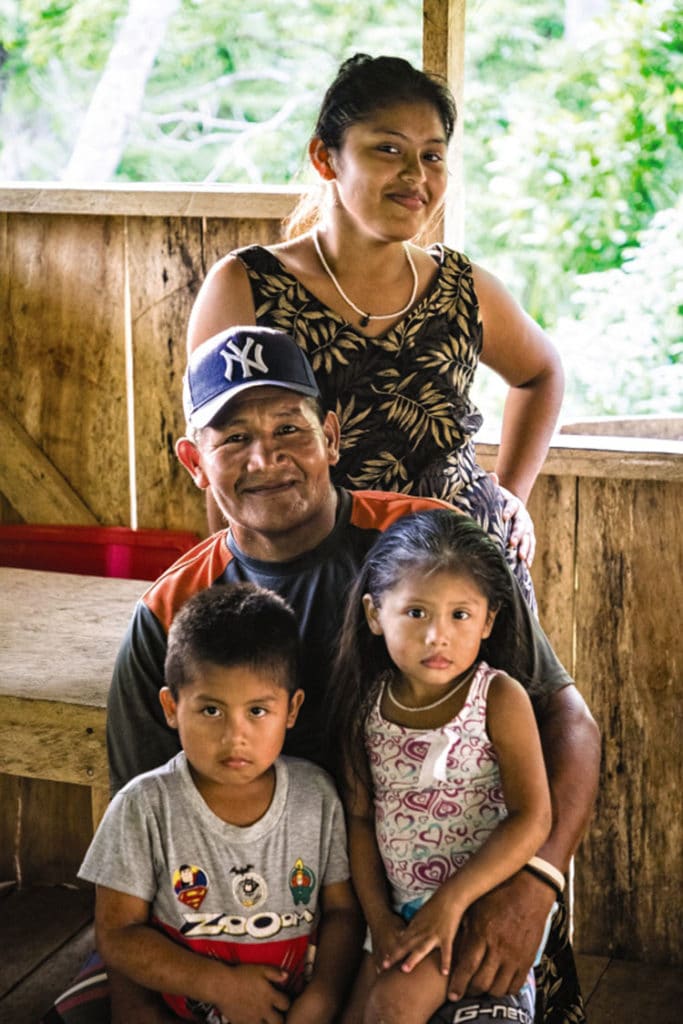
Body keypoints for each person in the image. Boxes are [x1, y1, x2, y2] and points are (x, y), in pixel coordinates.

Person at [49, 327, 597, 1023]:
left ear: (331, 437)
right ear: (194, 461)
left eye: (289, 428)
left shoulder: (423, 552)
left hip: (425, 896)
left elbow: (565, 718)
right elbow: (146, 833)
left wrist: (536, 880)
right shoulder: (169, 613)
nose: (266, 458)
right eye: (233, 439)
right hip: (238, 920)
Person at [186, 53, 566, 608]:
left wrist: (510, 493)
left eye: (432, 156)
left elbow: (542, 372)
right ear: (326, 158)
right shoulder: (246, 286)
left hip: (465, 589)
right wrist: (247, 595)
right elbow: (220, 452)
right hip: (322, 591)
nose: (416, 175)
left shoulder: (463, 287)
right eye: (388, 149)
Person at [79, 583, 362, 1024]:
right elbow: (117, 935)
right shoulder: (144, 807)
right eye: (211, 711)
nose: (235, 736)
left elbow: (343, 911)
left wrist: (323, 995)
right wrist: (220, 986)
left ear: (292, 709)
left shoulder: (317, 797)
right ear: (172, 707)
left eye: (257, 711)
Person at [329, 510, 554, 1024]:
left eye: (460, 615)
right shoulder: (366, 709)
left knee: (392, 1007)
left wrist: (451, 903)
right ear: (373, 613)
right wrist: (378, 918)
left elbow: (532, 817)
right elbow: (361, 822)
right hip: (399, 913)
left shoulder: (497, 697)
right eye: (416, 613)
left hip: (477, 907)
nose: (438, 636)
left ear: (488, 620)